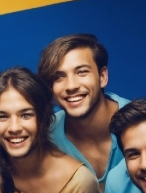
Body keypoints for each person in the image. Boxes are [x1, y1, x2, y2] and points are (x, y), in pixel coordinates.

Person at [37, 34, 129, 184]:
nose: (71, 86)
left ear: (102, 76)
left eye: (81, 72)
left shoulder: (142, 122)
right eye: (59, 77)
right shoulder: (45, 137)